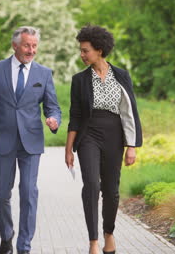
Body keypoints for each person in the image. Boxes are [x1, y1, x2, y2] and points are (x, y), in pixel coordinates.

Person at [0, 26, 61, 254]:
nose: (31, 50)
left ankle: (24, 246)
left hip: (31, 142)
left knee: (29, 192)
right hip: (2, 141)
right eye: (27, 45)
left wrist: (53, 118)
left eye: (34, 46)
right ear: (15, 45)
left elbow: (53, 106)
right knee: (1, 194)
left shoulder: (44, 73)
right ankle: (6, 236)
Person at [64, 25, 143, 254]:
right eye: (81, 50)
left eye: (85, 50)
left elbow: (129, 112)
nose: (81, 54)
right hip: (88, 135)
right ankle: (93, 242)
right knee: (91, 185)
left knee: (111, 190)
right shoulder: (79, 80)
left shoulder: (121, 75)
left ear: (99, 50)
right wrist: (69, 149)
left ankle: (109, 234)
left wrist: (131, 146)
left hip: (114, 136)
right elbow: (75, 116)